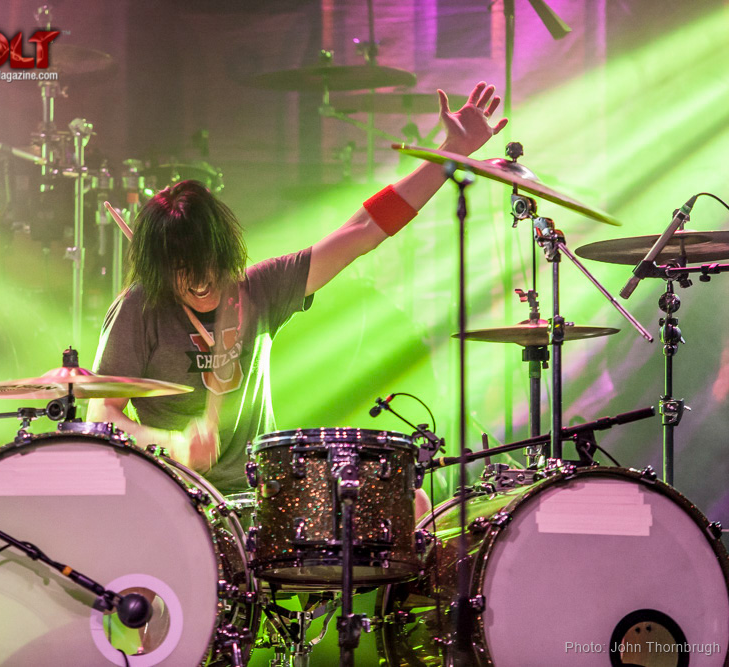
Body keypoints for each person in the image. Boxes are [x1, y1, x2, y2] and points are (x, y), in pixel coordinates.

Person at [88, 81, 507, 518]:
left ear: (225, 251)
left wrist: (452, 154)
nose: (197, 281)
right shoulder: (141, 307)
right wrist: (171, 445)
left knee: (408, 502)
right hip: (175, 496)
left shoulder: (260, 289)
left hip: (261, 493)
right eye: (180, 269)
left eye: (205, 263)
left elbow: (363, 230)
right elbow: (101, 414)